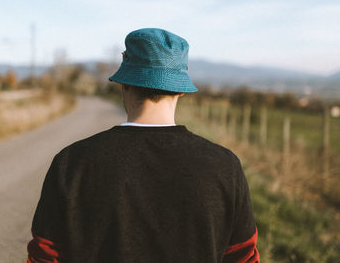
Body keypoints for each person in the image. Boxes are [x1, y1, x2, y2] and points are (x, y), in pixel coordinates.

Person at [27, 28, 260, 263]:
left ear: (124, 84)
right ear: (180, 90)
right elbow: (244, 256)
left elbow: (44, 255)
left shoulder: (71, 162)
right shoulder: (225, 166)